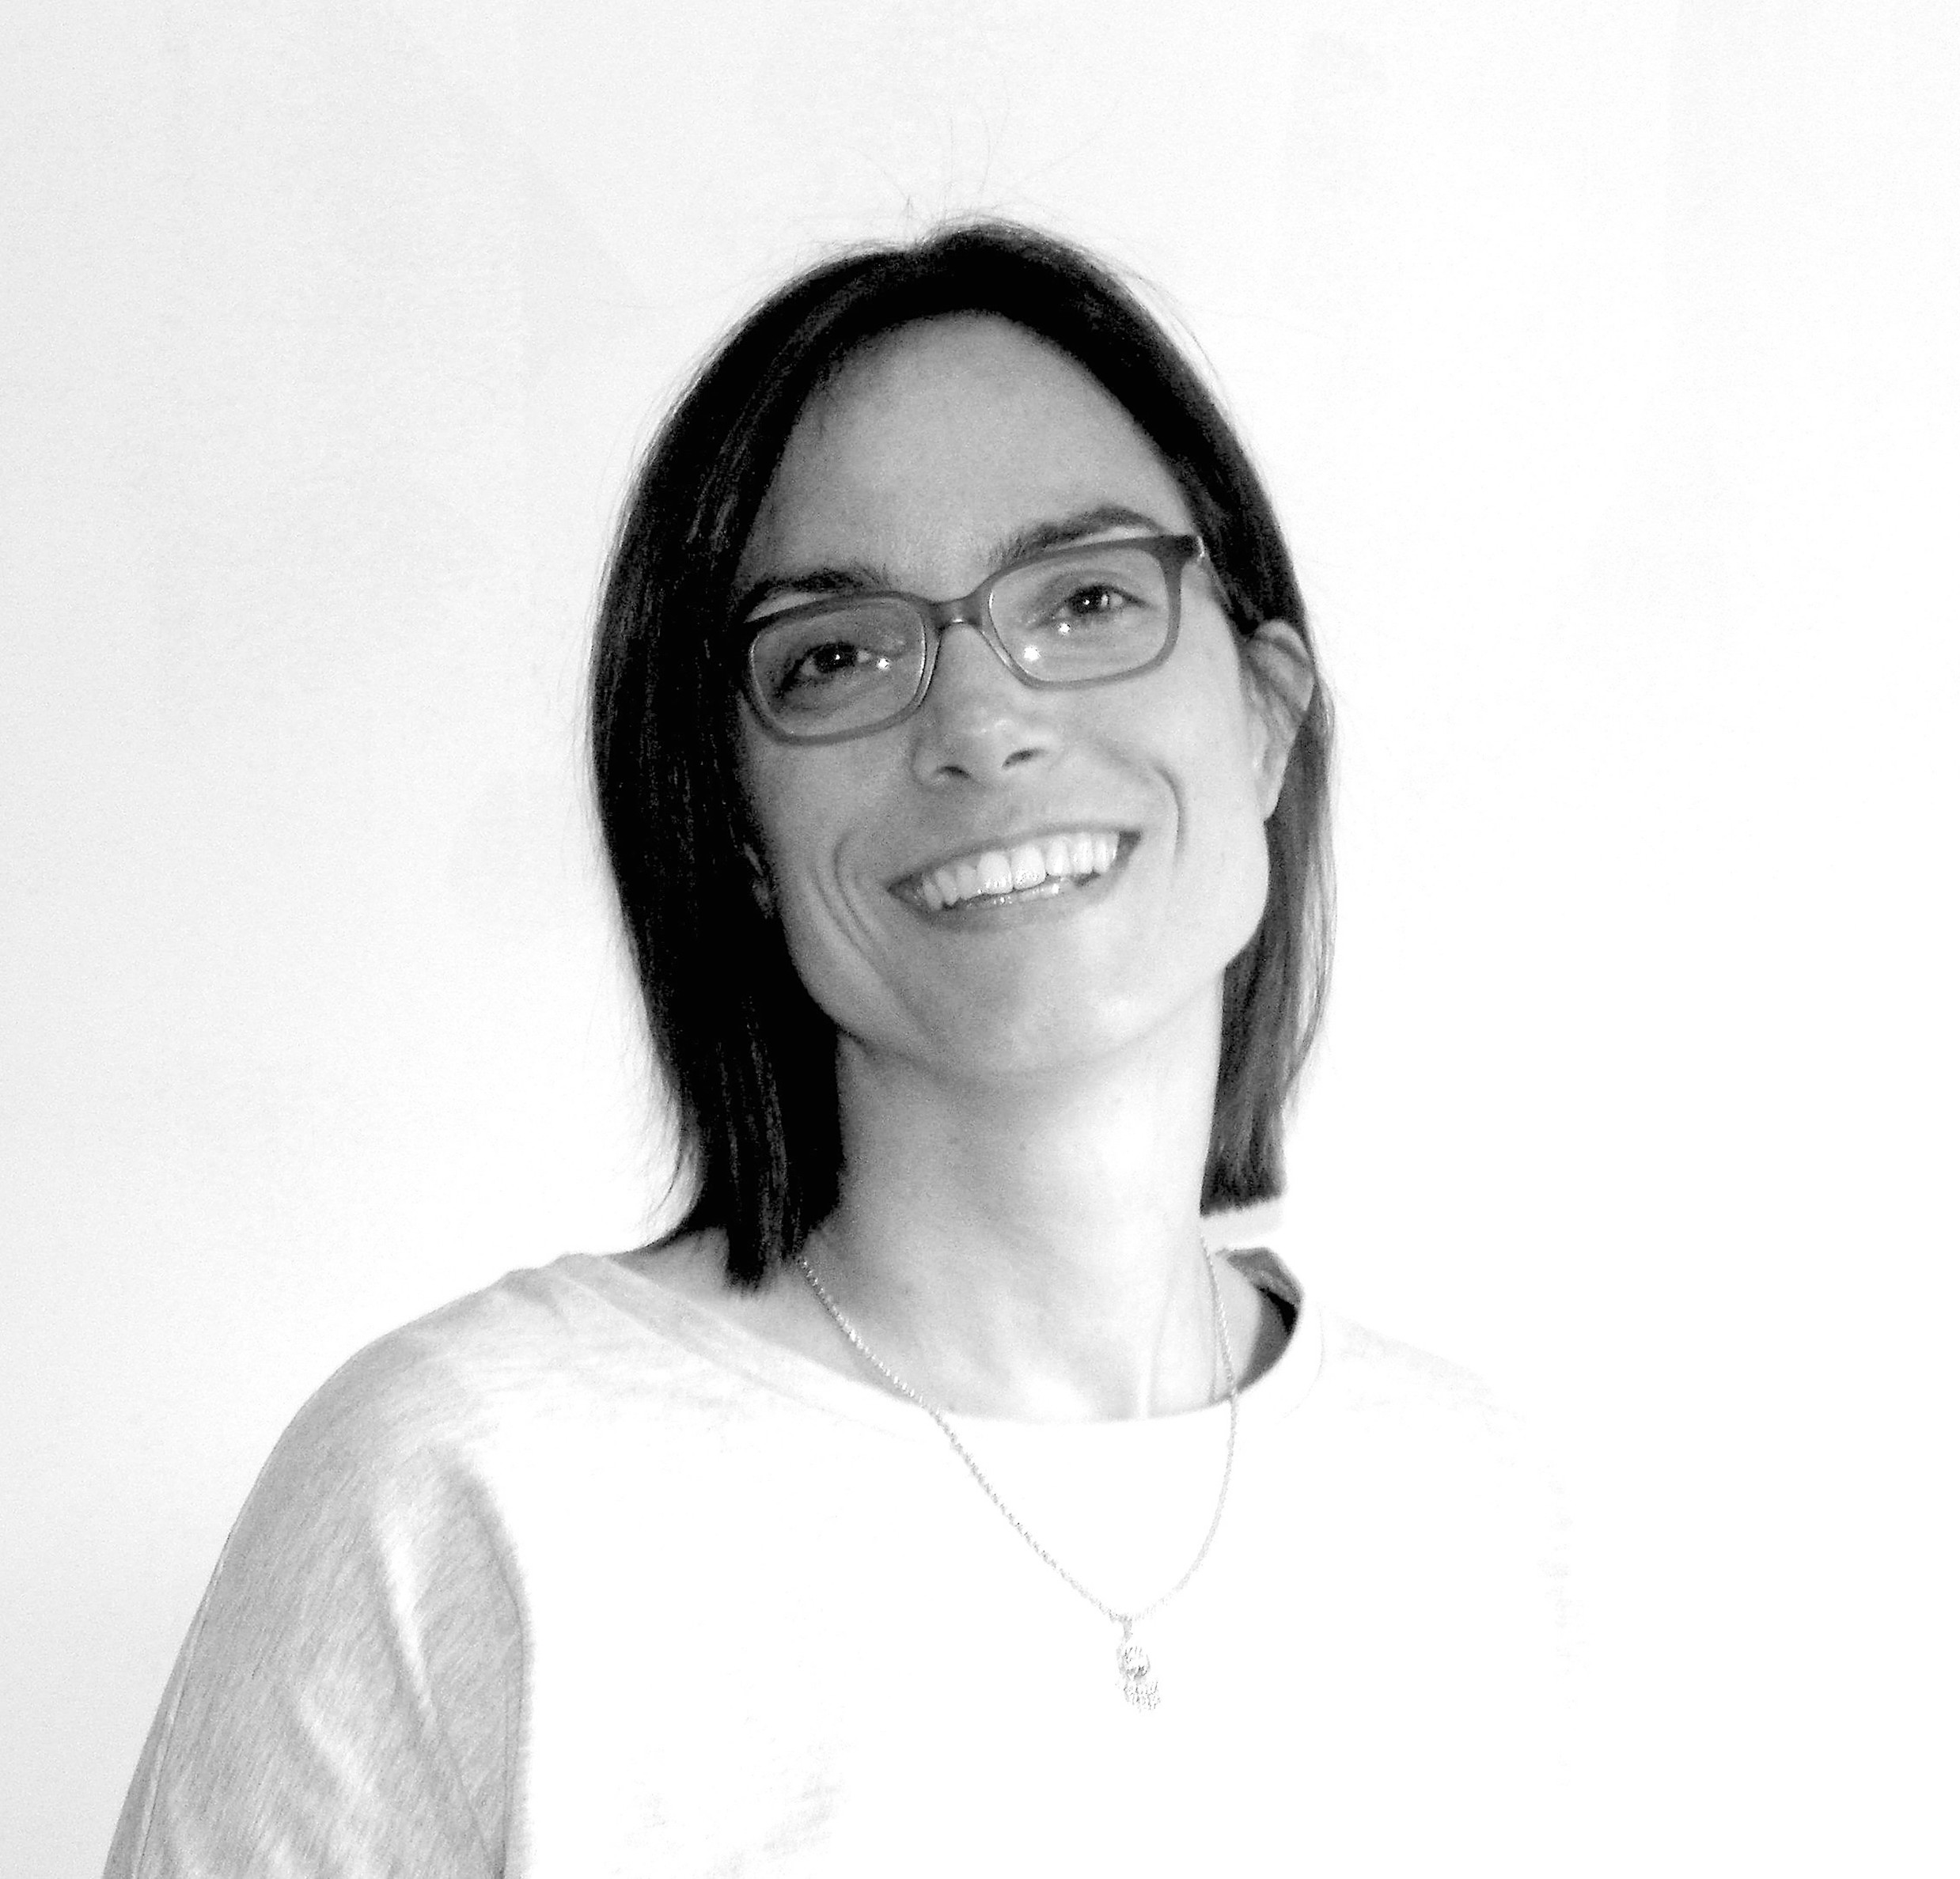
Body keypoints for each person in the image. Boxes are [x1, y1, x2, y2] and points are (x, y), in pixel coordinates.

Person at [106, 222, 1567, 1875]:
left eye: (1087, 597)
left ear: (1266, 718)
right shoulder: (469, 1489)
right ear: (735, 827)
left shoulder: (1479, 1502)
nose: (980, 724)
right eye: (837, 656)